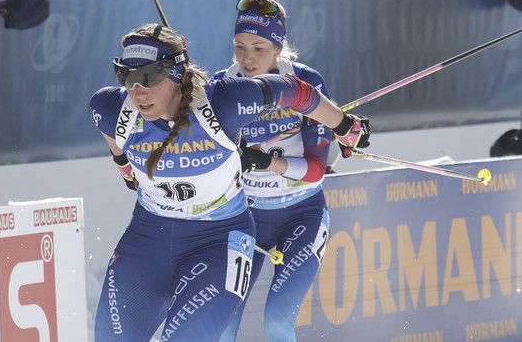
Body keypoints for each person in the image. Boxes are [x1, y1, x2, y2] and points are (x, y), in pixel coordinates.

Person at [89, 23, 370, 341]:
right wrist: (125, 168)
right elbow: (109, 131)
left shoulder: (225, 102)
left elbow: (297, 91)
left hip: (216, 243)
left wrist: (344, 125)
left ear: (176, 73)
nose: (137, 90)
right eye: (126, 75)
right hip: (147, 241)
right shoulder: (111, 108)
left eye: (148, 76)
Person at [211, 0, 358, 341]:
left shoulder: (306, 83)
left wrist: (266, 161)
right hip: (244, 218)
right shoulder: (222, 87)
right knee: (221, 325)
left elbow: (316, 170)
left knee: (277, 323)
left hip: (301, 214)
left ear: (278, 48)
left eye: (259, 48)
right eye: (239, 46)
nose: (247, 58)